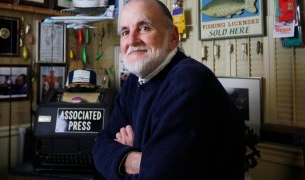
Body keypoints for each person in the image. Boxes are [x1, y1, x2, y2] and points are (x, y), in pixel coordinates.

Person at [92, 0, 245, 179]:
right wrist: (133, 158)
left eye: (144, 28)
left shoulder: (189, 82)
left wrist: (123, 158)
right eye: (125, 32)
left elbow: (159, 175)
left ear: (173, 37)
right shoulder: (134, 81)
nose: (132, 40)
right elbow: (100, 146)